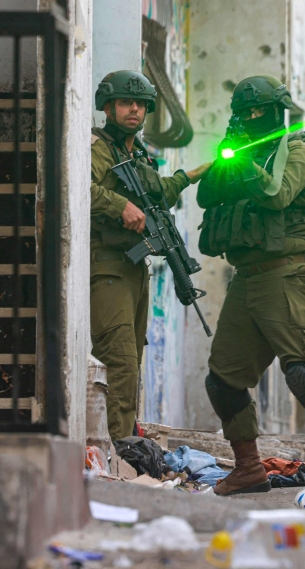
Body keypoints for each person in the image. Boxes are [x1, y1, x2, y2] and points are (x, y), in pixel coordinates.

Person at [197, 75, 305, 496]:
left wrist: (243, 161)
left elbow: (277, 194)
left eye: (259, 111)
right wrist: (227, 152)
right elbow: (207, 195)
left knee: (303, 370)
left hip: (288, 275)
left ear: (278, 111)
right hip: (247, 278)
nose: (252, 118)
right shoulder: (245, 153)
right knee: (223, 379)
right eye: (244, 113)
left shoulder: (300, 152)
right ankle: (248, 466)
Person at [90, 70, 211, 441]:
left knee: (133, 359)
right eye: (127, 103)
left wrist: (196, 173)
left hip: (132, 269)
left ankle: (124, 440)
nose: (134, 111)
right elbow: (77, 185)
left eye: (141, 105)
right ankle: (116, 447)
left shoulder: (136, 152)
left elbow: (158, 192)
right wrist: (119, 205)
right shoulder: (97, 147)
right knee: (121, 360)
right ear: (108, 106)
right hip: (106, 267)